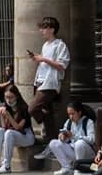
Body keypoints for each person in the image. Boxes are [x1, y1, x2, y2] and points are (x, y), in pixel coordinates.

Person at [23, 15, 70, 145]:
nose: (41, 31)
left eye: (44, 28)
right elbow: (45, 64)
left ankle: (52, 139)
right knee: (48, 116)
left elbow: (62, 65)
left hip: (50, 83)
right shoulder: (45, 45)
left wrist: (43, 59)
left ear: (52, 29)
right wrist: (38, 59)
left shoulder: (60, 45)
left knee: (32, 109)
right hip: (40, 81)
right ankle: (52, 142)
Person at [0, 76, 34, 173]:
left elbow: (18, 127)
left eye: (10, 97)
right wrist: (2, 115)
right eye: (6, 97)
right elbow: (4, 127)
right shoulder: (7, 106)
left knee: (9, 132)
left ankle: (7, 165)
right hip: (12, 135)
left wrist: (8, 115)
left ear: (16, 96)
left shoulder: (24, 108)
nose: (8, 100)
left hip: (26, 136)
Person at [42, 99, 96, 175]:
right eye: (69, 114)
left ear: (79, 113)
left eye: (73, 114)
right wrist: (62, 137)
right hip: (74, 151)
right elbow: (64, 137)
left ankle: (79, 169)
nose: (71, 117)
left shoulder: (88, 122)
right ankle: (66, 167)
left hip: (87, 153)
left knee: (79, 143)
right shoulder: (69, 122)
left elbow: (92, 139)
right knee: (53, 143)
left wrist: (74, 136)